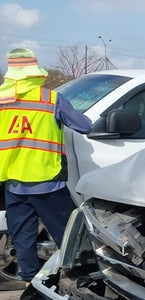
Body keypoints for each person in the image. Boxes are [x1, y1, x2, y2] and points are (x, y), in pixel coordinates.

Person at [0, 47, 92, 284]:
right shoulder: (51, 99)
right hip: (47, 182)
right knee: (67, 233)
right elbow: (84, 126)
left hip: (13, 182)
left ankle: (31, 281)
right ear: (35, 72)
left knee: (22, 235)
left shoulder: (2, 100)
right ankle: (76, 278)